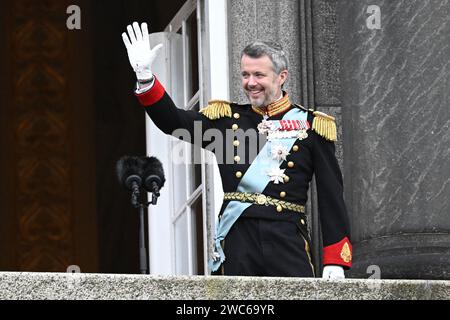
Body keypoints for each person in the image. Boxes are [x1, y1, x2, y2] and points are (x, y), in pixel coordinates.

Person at [122, 22, 352, 279]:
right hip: (238, 239)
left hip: (287, 238)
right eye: (245, 75)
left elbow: (331, 195)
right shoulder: (225, 121)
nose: (250, 83)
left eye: (259, 75)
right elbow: (173, 122)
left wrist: (335, 258)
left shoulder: (311, 126)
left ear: (282, 77)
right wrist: (145, 77)